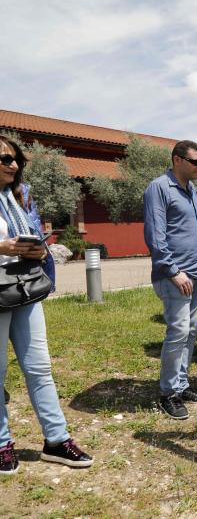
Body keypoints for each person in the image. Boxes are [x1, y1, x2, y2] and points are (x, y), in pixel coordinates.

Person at [0, 135, 93, 474]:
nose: (13, 165)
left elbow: (35, 234)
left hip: (25, 289)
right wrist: (3, 248)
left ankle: (56, 440)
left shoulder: (20, 197)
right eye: (5, 159)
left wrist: (37, 249)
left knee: (40, 368)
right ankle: (1, 443)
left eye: (15, 160)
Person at [144, 140, 197, 420]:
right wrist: (173, 270)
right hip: (176, 276)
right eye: (196, 162)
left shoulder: (192, 191)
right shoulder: (159, 188)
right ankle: (168, 392)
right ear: (177, 160)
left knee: (191, 332)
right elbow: (156, 236)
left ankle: (181, 385)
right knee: (179, 331)